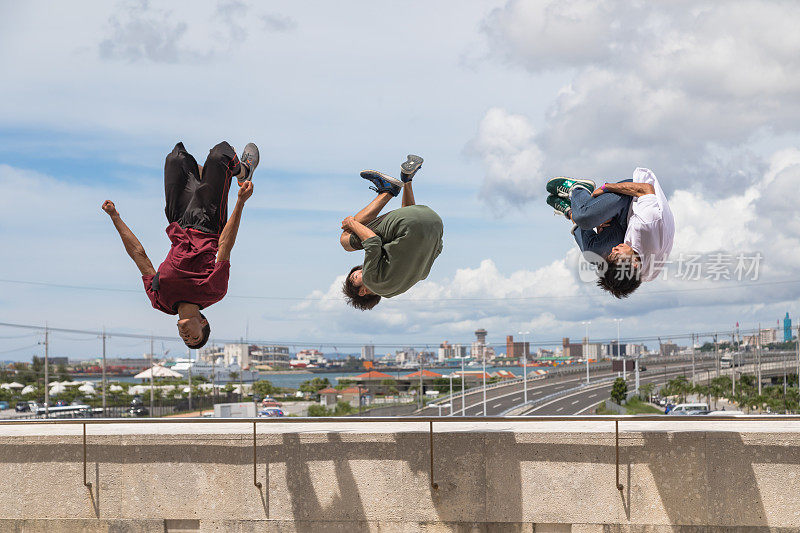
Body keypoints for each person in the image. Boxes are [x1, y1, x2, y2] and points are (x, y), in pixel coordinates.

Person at [101, 141, 259, 347]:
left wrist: (115, 217)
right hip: (208, 222)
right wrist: (240, 203)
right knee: (220, 155)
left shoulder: (160, 301)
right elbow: (225, 245)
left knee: (176, 159)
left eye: (185, 339)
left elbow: (139, 255)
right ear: (203, 322)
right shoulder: (214, 291)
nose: (186, 335)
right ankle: (242, 170)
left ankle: (204, 177)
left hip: (177, 221)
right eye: (194, 336)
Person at [546, 167, 674, 298]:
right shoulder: (647, 225)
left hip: (628, 224)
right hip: (634, 194)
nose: (613, 250)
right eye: (616, 256)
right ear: (635, 264)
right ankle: (578, 189)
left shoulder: (643, 273)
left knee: (594, 254)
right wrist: (606, 188)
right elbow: (646, 189)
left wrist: (603, 221)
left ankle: (570, 210)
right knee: (585, 218)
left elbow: (617, 272)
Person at [340, 155, 443, 310]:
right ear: (363, 291)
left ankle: (407, 179)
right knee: (346, 241)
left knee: (406, 226)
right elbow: (373, 242)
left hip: (434, 222)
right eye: (355, 276)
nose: (360, 270)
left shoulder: (405, 284)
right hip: (410, 223)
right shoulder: (370, 280)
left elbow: (437, 249)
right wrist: (351, 223)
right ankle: (387, 190)